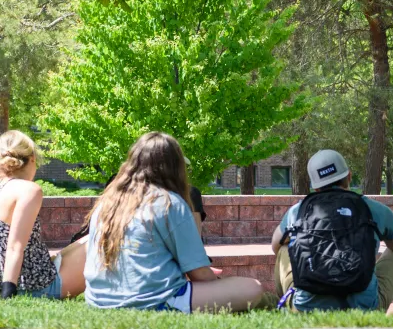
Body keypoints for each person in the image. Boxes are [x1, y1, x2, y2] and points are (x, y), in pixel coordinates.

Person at [84, 132, 263, 312]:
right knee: (252, 287)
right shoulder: (168, 203)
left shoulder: (106, 203)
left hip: (98, 300)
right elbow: (200, 275)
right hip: (154, 300)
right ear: (174, 167)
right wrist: (219, 285)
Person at [271, 149, 393, 314]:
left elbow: (275, 245)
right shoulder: (374, 209)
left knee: (284, 250)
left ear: (315, 187)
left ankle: (285, 309)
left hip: (307, 308)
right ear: (349, 176)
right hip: (365, 308)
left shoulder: (297, 211)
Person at [0, 130, 87, 299]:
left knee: (83, 242)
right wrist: (8, 293)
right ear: (32, 159)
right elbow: (15, 246)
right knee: (100, 240)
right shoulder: (29, 190)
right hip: (32, 287)